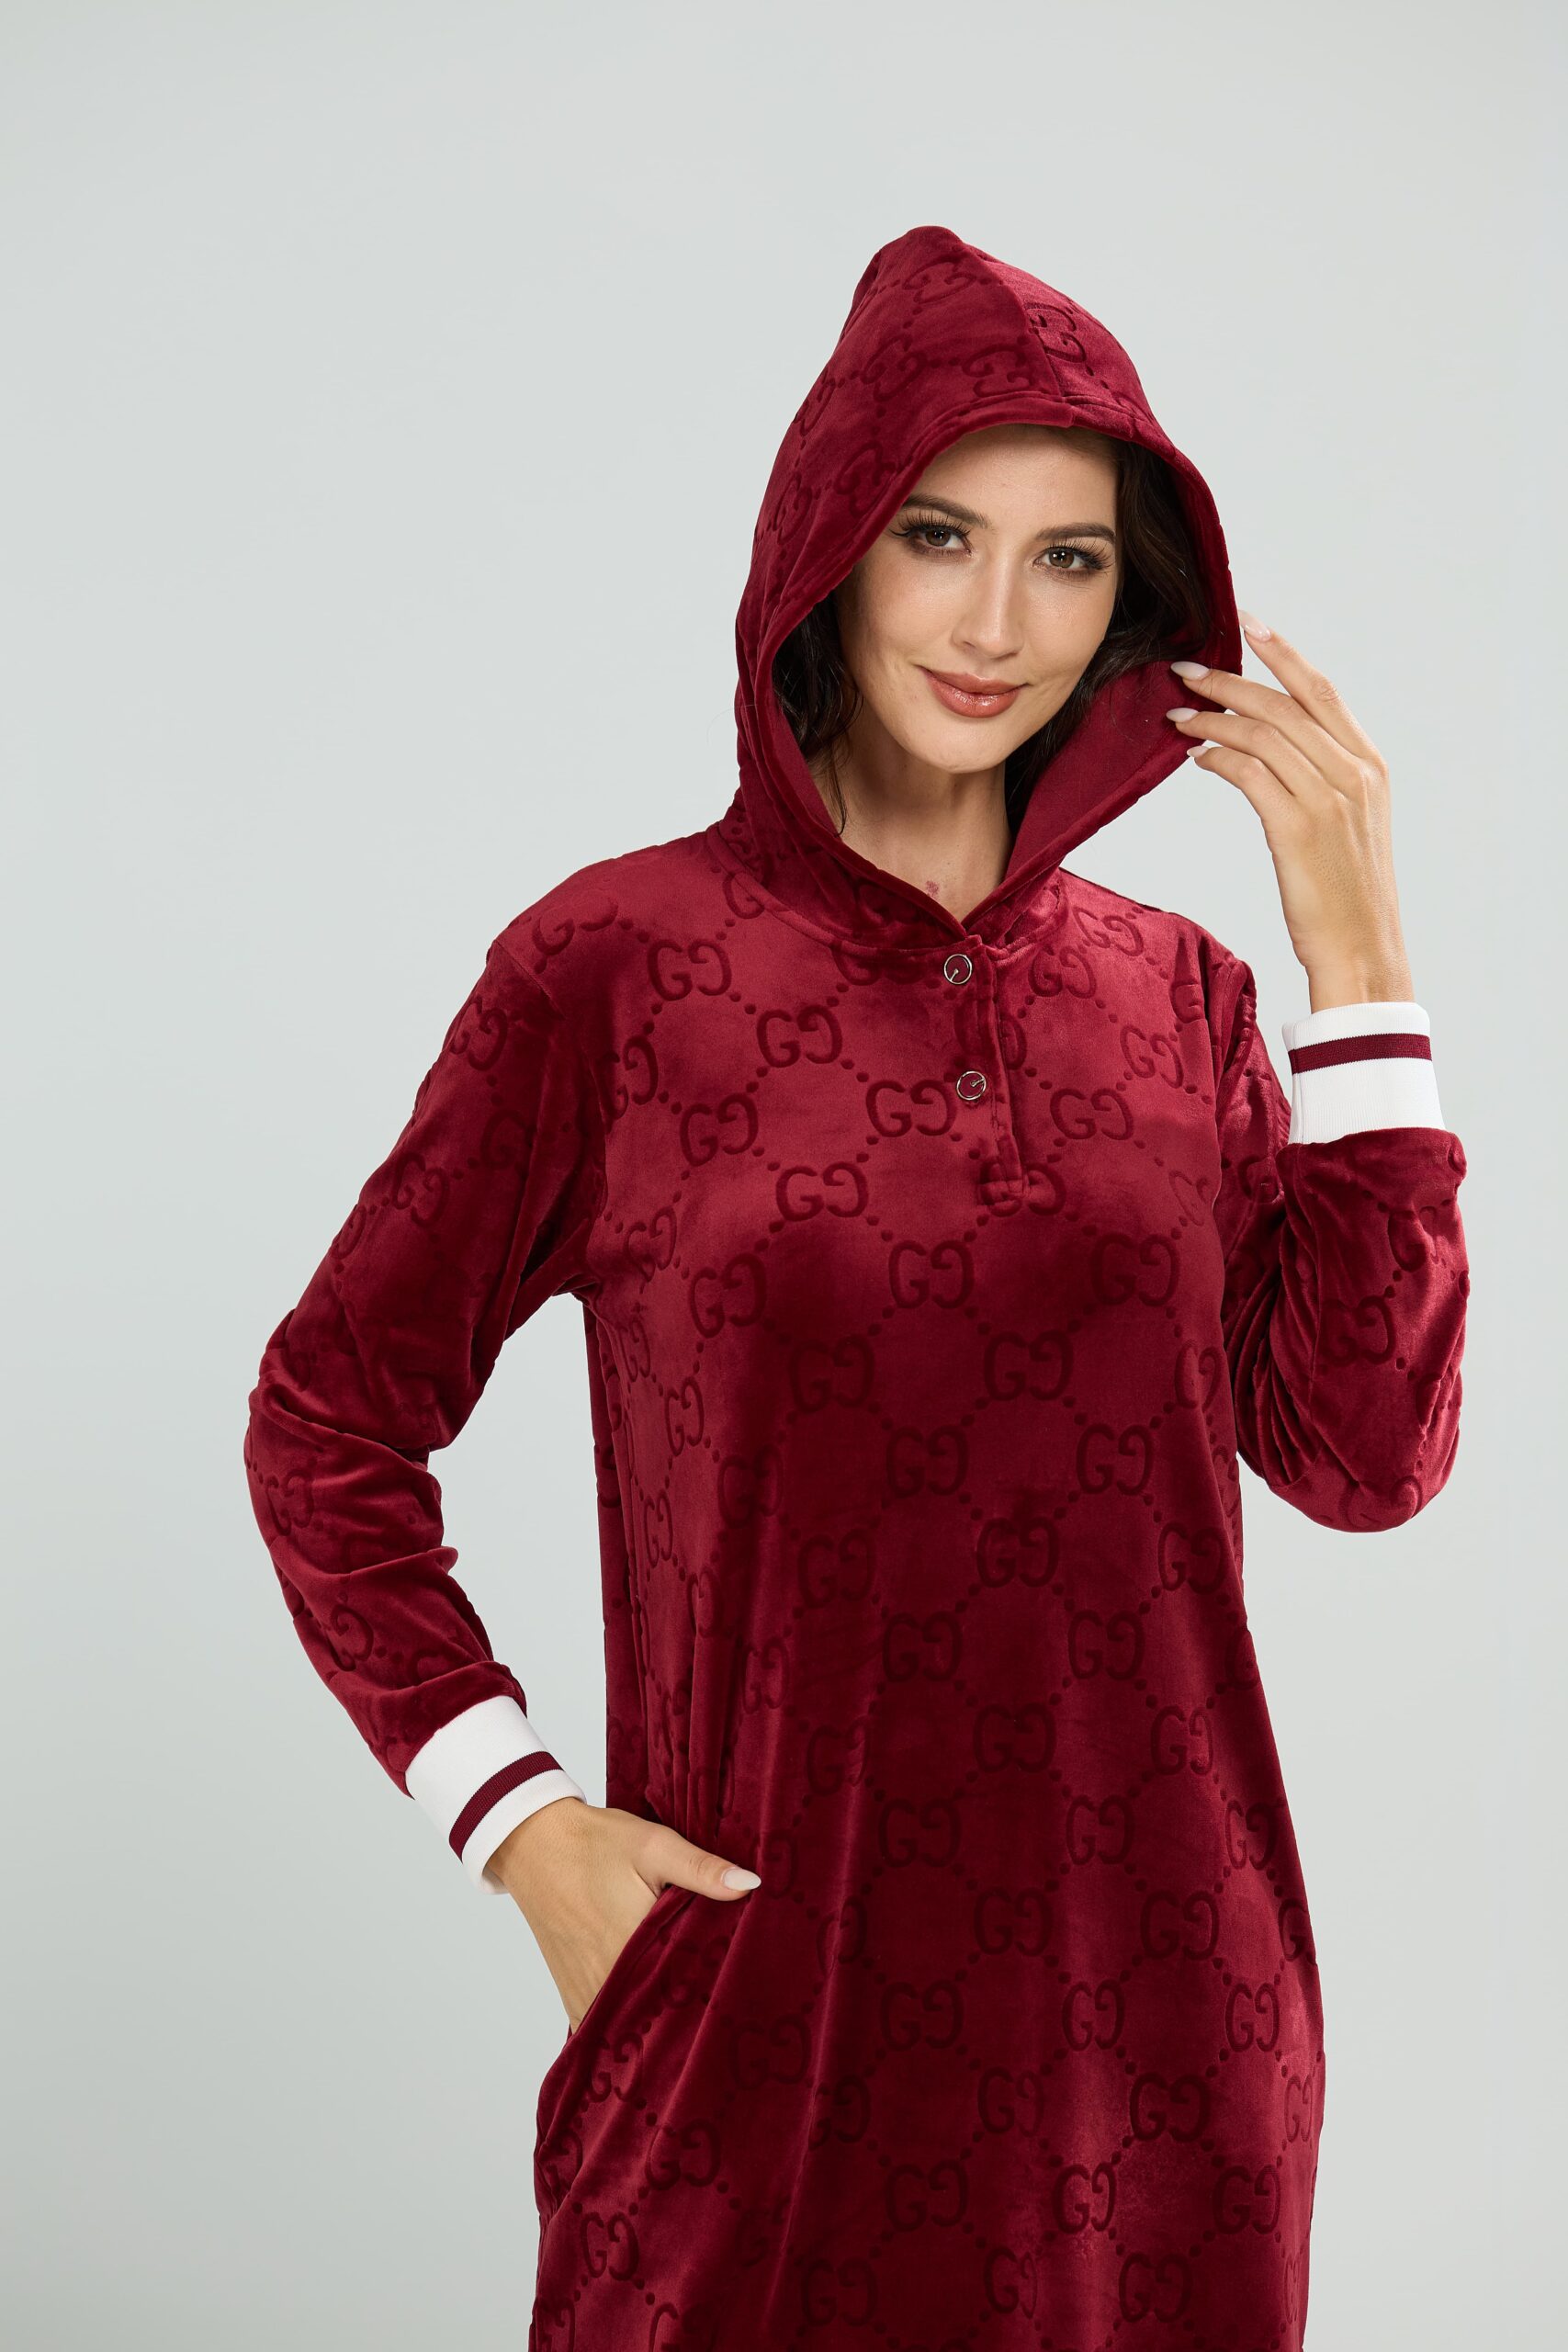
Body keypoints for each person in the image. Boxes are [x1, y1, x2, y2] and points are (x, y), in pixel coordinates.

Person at [243, 223, 1469, 2347]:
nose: (995, 623)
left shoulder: (1179, 1000)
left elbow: (1362, 1458)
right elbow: (328, 1414)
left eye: (1067, 559)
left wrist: (1353, 963)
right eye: (936, 535)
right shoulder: (611, 971)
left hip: (1166, 2045)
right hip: (757, 2040)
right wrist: (519, 1823)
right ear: (827, 540)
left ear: (1133, 603)